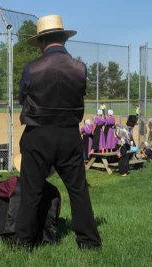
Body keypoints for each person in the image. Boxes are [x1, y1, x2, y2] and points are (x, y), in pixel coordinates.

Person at [17, 15, 101, 249]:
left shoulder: (31, 69)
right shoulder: (79, 68)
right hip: (69, 134)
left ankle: (24, 242)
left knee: (31, 190)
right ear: (63, 39)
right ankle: (89, 241)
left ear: (42, 41)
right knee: (78, 190)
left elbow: (22, 98)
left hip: (38, 134)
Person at [0, 154, 60, 243]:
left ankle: (5, 230)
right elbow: (56, 213)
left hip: (16, 236)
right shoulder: (54, 190)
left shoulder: (14, 182)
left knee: (3, 196)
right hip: (46, 237)